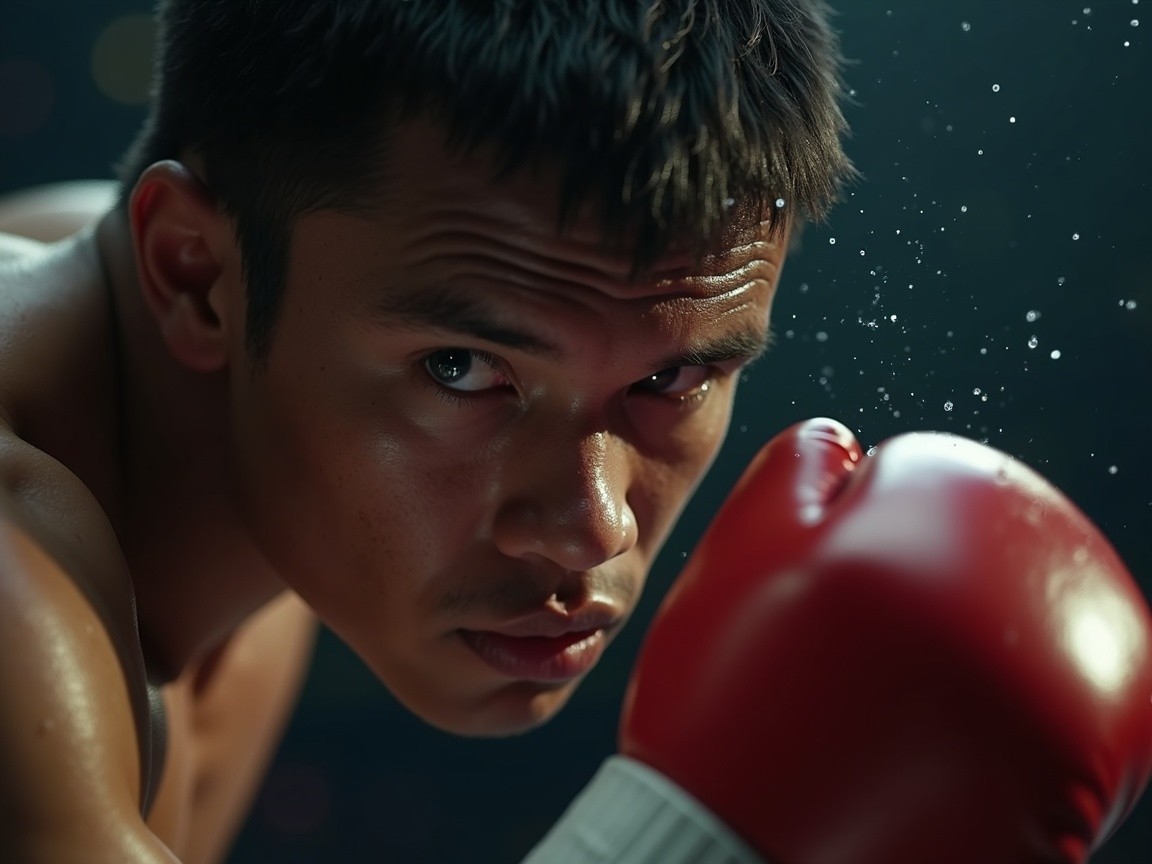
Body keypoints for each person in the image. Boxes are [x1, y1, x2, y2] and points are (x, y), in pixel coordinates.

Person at [0, 2, 855, 861]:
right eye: (463, 368)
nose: (593, 527)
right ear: (191, 274)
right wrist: (692, 829)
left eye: (668, 379)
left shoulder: (218, 333)